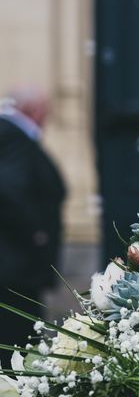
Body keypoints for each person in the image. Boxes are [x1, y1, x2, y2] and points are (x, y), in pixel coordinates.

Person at [0, 87, 66, 362]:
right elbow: (10, 189)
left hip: (14, 267)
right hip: (16, 267)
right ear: (35, 111)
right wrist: (37, 232)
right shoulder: (15, 137)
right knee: (18, 346)